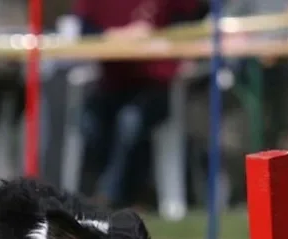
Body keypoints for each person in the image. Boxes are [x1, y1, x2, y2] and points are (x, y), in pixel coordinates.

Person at [72, 0, 205, 209]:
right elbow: (86, 32)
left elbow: (190, 23)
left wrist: (160, 40)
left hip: (157, 84)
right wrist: (117, 36)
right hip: (112, 83)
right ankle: (95, 192)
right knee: (89, 122)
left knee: (131, 120)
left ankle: (110, 197)